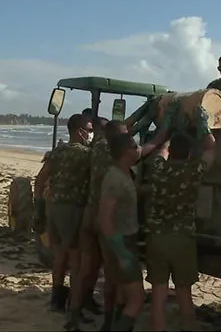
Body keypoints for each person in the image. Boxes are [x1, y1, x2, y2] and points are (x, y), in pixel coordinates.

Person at [146, 131, 216, 331]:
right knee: (184, 294)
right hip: (182, 240)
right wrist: (204, 129)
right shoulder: (193, 171)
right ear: (189, 153)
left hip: (157, 238)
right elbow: (212, 149)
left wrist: (168, 135)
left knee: (158, 295)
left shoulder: (159, 170)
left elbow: (161, 152)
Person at [34, 114, 92, 322]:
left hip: (54, 209)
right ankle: (74, 310)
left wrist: (39, 210)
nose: (91, 133)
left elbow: (40, 181)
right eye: (89, 129)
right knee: (77, 263)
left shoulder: (57, 153)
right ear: (79, 131)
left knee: (59, 257)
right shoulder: (86, 155)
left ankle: (56, 300)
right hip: (73, 211)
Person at [73, 118, 129, 330]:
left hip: (90, 212)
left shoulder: (96, 147)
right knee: (112, 274)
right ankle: (107, 323)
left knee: (85, 269)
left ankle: (73, 317)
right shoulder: (117, 150)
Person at [98, 133, 144, 332]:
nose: (137, 150)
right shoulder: (116, 178)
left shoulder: (124, 174)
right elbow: (105, 220)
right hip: (122, 243)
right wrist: (122, 254)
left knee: (123, 293)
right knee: (137, 299)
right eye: (135, 147)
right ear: (127, 152)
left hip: (124, 241)